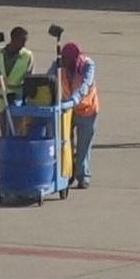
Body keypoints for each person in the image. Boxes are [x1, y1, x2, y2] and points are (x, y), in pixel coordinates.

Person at [49, 35, 101, 187]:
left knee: (83, 145)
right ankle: (68, 173)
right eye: (63, 59)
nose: (64, 62)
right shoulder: (59, 65)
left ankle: (83, 176)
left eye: (67, 59)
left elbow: (86, 84)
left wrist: (75, 99)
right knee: (66, 142)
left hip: (87, 109)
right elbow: (49, 78)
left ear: (74, 58)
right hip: (66, 109)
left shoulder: (87, 65)